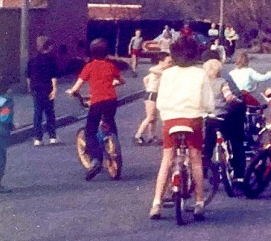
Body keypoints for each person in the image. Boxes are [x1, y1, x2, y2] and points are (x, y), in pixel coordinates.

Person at [149, 35, 212, 220]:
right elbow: (207, 101)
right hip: (193, 119)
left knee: (167, 159)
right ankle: (199, 202)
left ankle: (156, 203)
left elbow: (161, 101)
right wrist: (208, 110)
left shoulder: (167, 74)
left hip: (171, 120)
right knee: (195, 159)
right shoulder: (200, 74)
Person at [67, 39, 124, 180]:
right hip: (111, 100)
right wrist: (113, 83)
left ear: (91, 53)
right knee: (110, 122)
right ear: (106, 53)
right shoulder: (111, 66)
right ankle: (113, 145)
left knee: (90, 131)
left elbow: (78, 85)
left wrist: (72, 91)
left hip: (97, 101)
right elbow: (121, 80)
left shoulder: (90, 67)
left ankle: (96, 160)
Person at [202, 57, 247, 185]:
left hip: (210, 117)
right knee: (234, 139)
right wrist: (239, 101)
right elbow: (229, 97)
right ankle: (238, 174)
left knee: (208, 144)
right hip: (224, 115)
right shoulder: (223, 82)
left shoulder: (204, 84)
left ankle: (203, 169)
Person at [26, 35, 59, 145]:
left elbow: (29, 76)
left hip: (36, 89)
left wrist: (30, 88)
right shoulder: (51, 60)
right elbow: (53, 76)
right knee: (50, 113)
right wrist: (54, 89)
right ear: (49, 47)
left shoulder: (32, 60)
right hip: (48, 89)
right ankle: (52, 136)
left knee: (38, 114)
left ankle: (37, 138)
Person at [134, 52, 171, 144]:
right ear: (161, 62)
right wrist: (149, 89)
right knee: (150, 116)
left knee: (154, 118)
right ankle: (138, 135)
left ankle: (151, 136)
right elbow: (151, 70)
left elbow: (145, 79)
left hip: (156, 93)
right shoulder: (157, 70)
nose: (170, 64)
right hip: (151, 94)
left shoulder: (162, 70)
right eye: (168, 62)